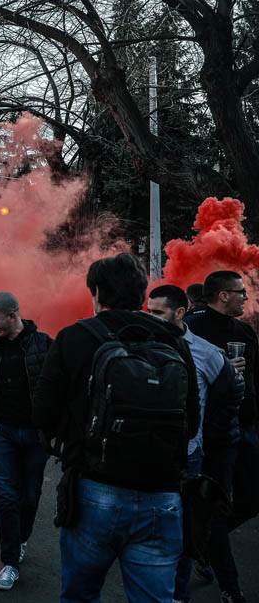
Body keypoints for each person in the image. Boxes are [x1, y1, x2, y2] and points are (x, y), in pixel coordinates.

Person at [32, 253, 200, 603]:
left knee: (80, 596)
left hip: (95, 489)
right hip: (163, 493)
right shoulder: (175, 342)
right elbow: (191, 421)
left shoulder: (74, 337)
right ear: (142, 295)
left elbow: (43, 412)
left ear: (95, 293)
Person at [146, 284, 243, 603]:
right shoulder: (137, 345)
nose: (152, 319)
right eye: (149, 312)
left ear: (180, 312)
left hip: (189, 459)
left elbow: (230, 398)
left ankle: (178, 595)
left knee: (183, 534)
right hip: (146, 459)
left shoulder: (206, 353)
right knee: (148, 534)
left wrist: (208, 437)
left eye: (158, 313)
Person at [0, 291, 53, 590]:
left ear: (13, 314)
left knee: (30, 495)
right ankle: (10, 562)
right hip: (2, 432)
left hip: (35, 434)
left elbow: (58, 391)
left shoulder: (43, 344)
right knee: (7, 495)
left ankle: (21, 538)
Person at [184, 271, 258, 603]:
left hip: (244, 426)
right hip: (211, 433)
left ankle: (202, 544)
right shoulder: (195, 329)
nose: (246, 296)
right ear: (223, 295)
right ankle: (230, 587)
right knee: (213, 505)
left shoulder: (244, 332)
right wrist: (223, 369)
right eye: (240, 292)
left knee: (252, 494)